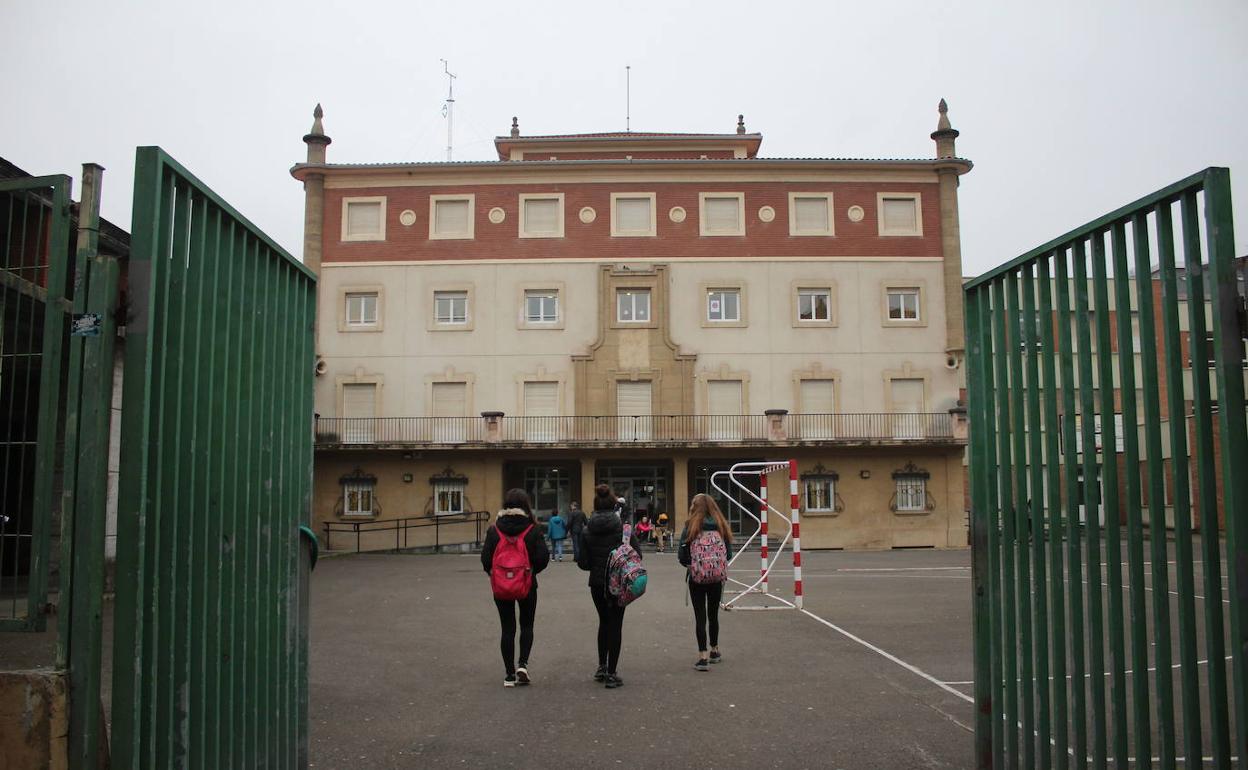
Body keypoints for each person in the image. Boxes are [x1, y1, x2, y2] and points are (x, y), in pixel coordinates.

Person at [481, 489, 550, 687]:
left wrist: (498, 574)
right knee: (527, 625)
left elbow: (486, 560)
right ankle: (523, 665)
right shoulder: (532, 529)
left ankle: (509, 675)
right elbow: (543, 558)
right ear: (525, 505)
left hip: (501, 586)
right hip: (527, 584)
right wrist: (530, 571)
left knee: (507, 628)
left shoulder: (494, 530)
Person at [576, 483, 642, 689]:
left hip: (597, 583)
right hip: (619, 582)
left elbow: (582, 562)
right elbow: (637, 555)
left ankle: (601, 666)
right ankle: (612, 673)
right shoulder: (624, 530)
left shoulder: (587, 531)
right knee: (616, 624)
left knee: (603, 622)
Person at [677, 493, 733, 672]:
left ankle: (703, 656)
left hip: (697, 578)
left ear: (695, 507)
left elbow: (682, 556)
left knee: (700, 616)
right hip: (716, 578)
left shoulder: (690, 526)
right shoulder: (721, 525)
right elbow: (729, 554)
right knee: (713, 614)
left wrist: (693, 565)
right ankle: (715, 650)